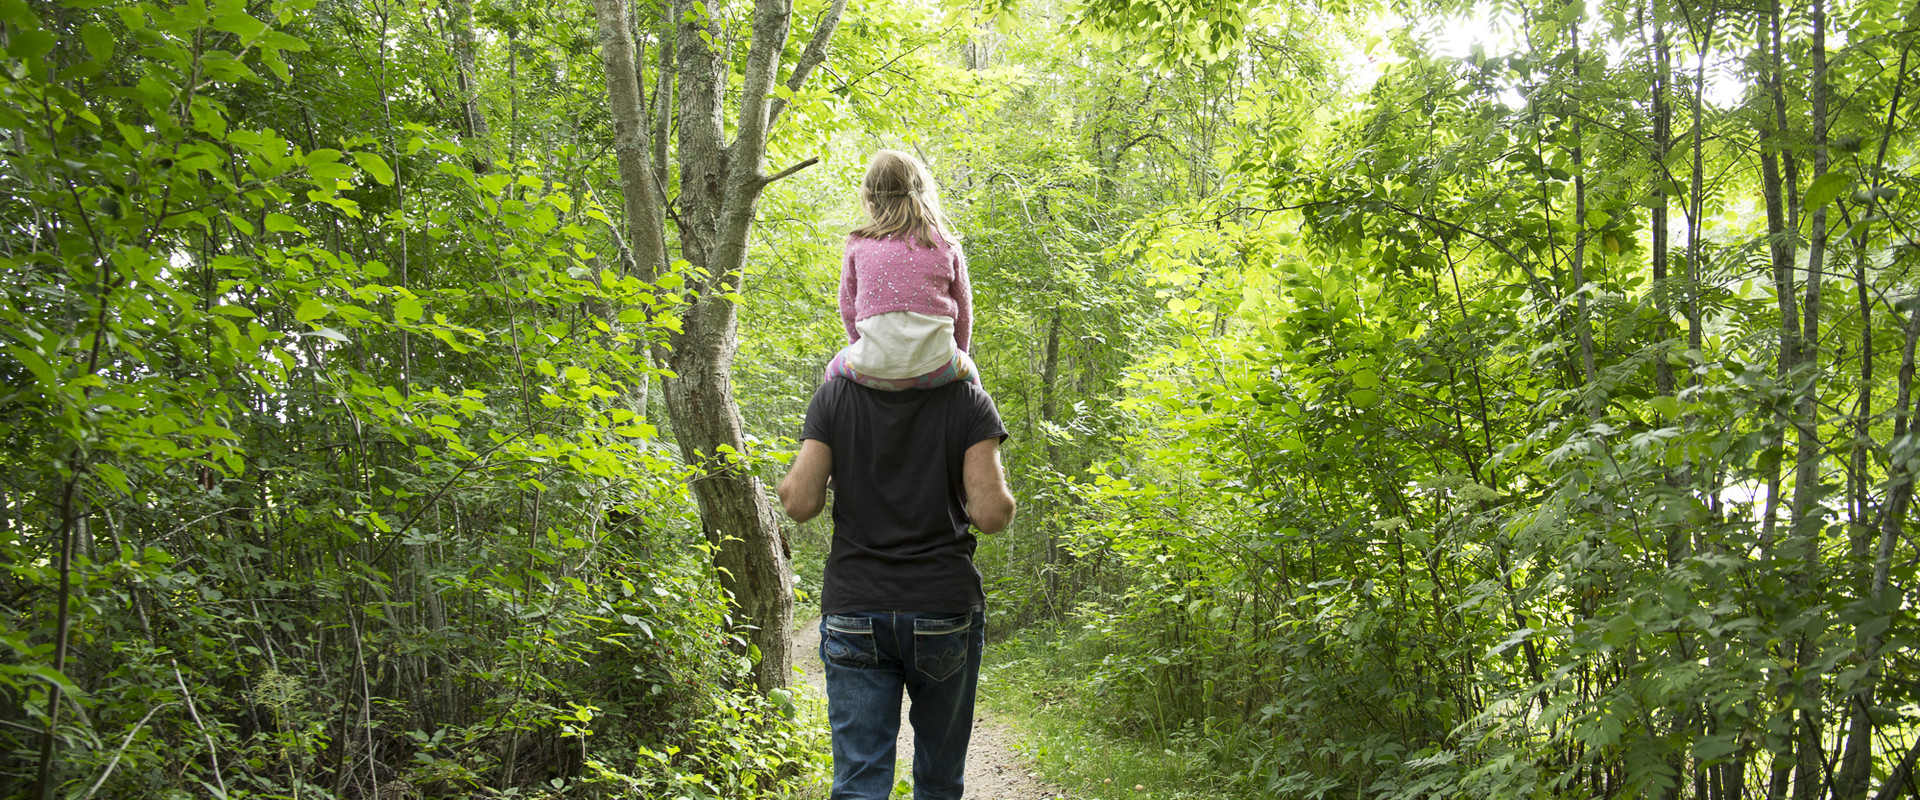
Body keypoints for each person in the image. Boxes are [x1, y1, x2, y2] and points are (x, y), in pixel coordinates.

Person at [776, 372, 1016, 800]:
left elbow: (799, 503)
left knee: (859, 782)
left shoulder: (834, 396)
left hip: (855, 607)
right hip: (942, 603)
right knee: (939, 781)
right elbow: (992, 514)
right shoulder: (969, 399)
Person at [823, 149, 980, 392]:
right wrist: (959, 354)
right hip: (937, 369)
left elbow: (848, 308)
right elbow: (964, 314)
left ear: (871, 199)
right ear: (922, 193)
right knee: (975, 389)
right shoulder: (946, 244)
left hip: (871, 371)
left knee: (830, 376)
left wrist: (860, 347)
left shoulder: (858, 243)